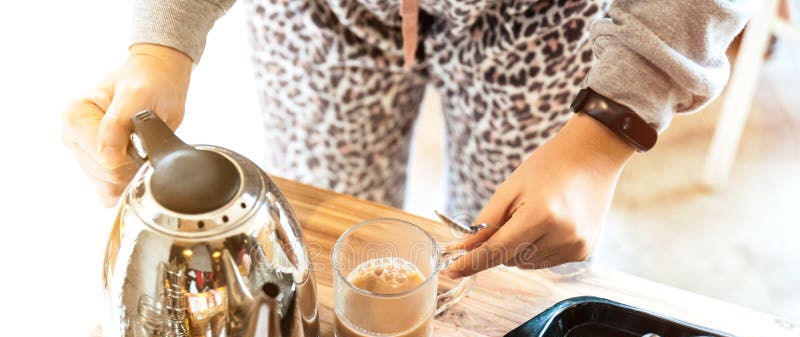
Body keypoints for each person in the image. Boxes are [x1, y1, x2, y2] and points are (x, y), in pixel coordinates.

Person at [62, 0, 755, 277]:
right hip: (323, 10)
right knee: (323, 239)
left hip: (547, 18)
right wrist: (163, 38)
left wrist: (612, 124)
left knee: (504, 260)